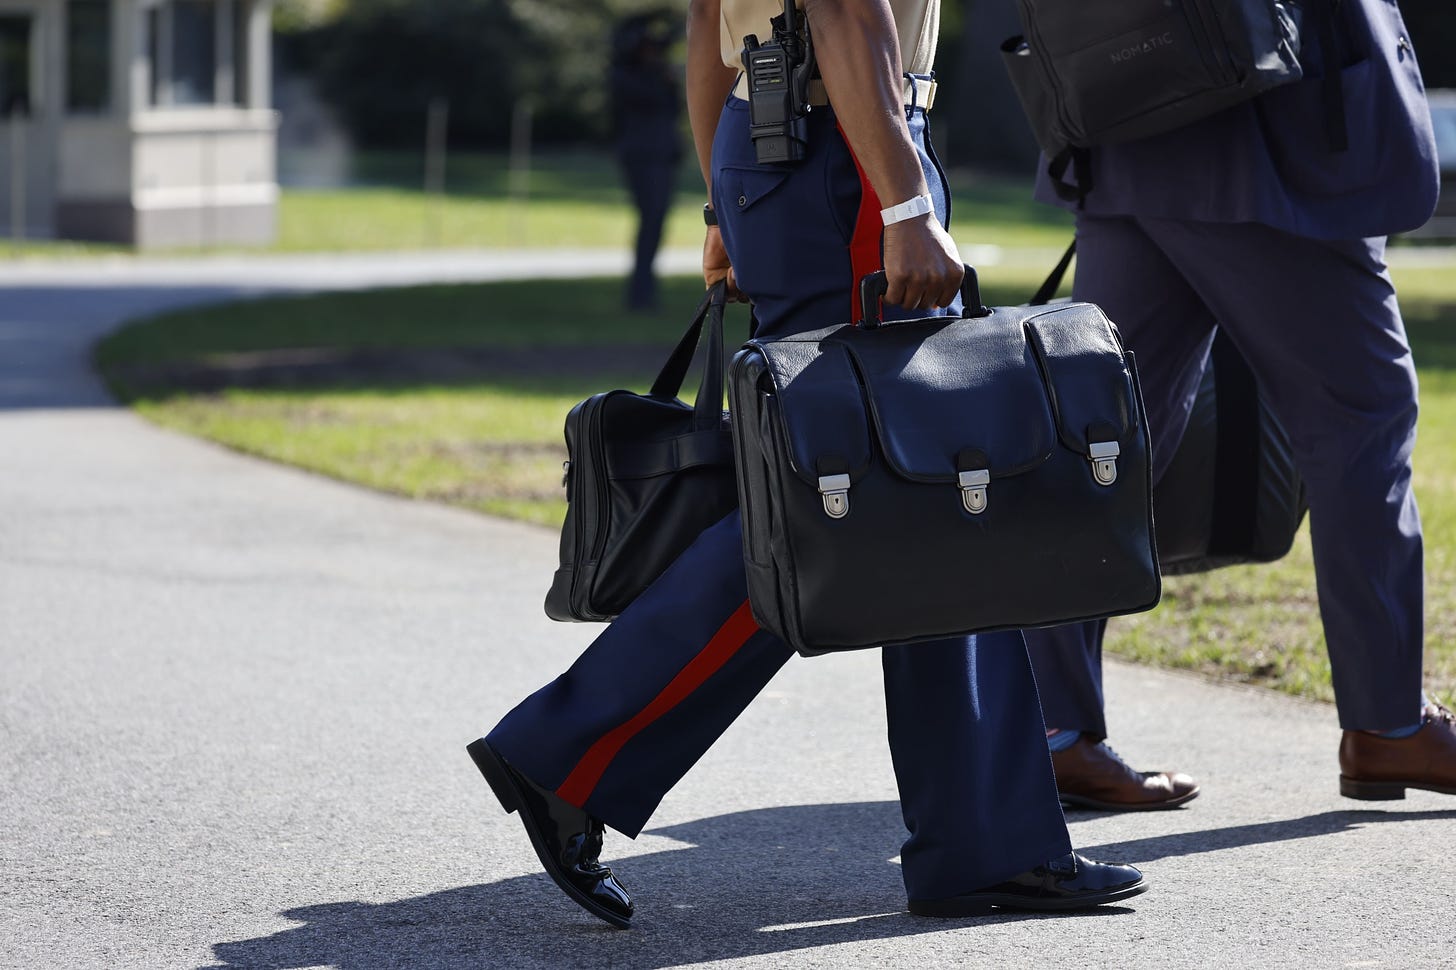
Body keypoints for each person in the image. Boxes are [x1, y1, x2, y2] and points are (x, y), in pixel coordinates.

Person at [465, 0, 1147, 928]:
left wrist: (723, 198)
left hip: (783, 143)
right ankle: (569, 752)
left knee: (910, 505)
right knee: (878, 504)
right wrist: (905, 201)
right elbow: (840, 10)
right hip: (848, 158)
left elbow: (712, 29)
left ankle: (988, 842)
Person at [1020, 0, 1456, 810]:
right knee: (1364, 416)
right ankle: (1388, 725)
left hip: (1123, 110)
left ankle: (1051, 730)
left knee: (1107, 442)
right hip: (1261, 126)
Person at [610, 12, 683, 311]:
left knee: (656, 222)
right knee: (650, 219)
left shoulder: (659, 74)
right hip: (642, 156)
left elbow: (673, 108)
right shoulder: (625, 76)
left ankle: (645, 290)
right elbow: (647, 100)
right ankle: (640, 293)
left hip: (663, 155)